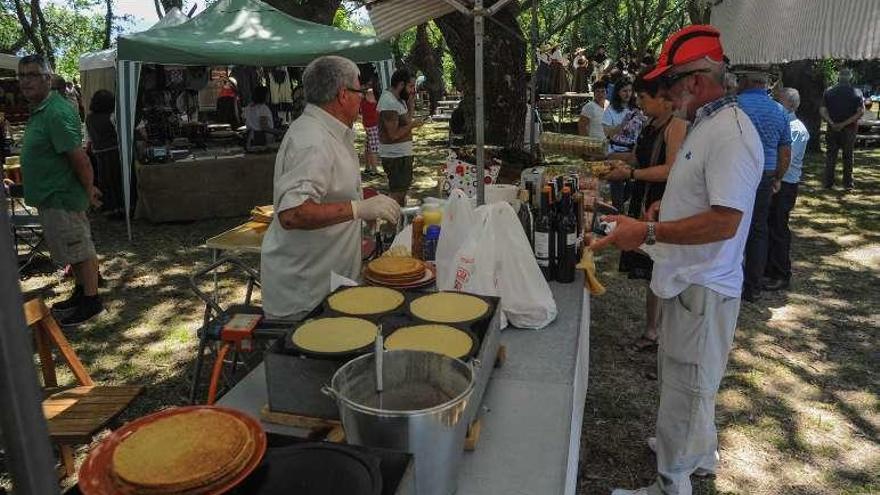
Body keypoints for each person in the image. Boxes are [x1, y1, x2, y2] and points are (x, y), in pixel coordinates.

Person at [591, 25, 763, 495]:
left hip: (704, 282)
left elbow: (725, 221)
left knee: (687, 386)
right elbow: (702, 193)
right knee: (691, 380)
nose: (664, 94)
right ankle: (698, 453)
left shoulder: (730, 133)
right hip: (691, 277)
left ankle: (673, 481)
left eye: (670, 83)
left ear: (696, 80)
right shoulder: (708, 121)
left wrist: (647, 230)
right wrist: (666, 209)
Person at [260, 56, 401, 321]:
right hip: (306, 292)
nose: (362, 98)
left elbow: (331, 191)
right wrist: (357, 208)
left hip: (327, 282)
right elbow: (292, 214)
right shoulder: (312, 140)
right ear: (342, 95)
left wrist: (360, 209)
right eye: (359, 91)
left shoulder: (331, 131)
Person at [602, 71, 687, 352]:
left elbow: (671, 169)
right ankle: (653, 330)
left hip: (661, 204)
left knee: (662, 268)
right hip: (645, 199)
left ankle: (658, 334)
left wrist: (632, 174)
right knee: (653, 270)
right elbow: (637, 156)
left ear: (664, 99)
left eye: (643, 97)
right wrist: (608, 160)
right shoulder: (651, 122)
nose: (639, 103)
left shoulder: (676, 127)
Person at [18, 54, 104, 325]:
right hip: (52, 197)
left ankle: (91, 302)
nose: (25, 81)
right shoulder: (42, 109)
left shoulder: (55, 111)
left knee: (79, 247)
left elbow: (80, 159)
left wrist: (89, 190)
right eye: (22, 75)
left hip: (63, 196)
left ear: (47, 78)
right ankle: (81, 293)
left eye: (32, 75)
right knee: (71, 250)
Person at [736, 71, 791, 302]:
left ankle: (731, 280)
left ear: (745, 82)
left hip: (737, 171)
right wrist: (778, 176)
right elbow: (785, 152)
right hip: (766, 174)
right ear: (765, 84)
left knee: (732, 225)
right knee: (758, 229)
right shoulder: (779, 111)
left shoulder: (736, 106)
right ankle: (753, 287)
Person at [765, 88, 809, 292]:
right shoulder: (784, 124)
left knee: (779, 228)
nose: (774, 104)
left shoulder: (796, 129)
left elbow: (786, 158)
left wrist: (776, 176)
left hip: (785, 183)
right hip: (778, 180)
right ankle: (769, 268)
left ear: (789, 105)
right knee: (770, 225)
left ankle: (781, 273)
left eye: (778, 100)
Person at [378, 68, 421, 206]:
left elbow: (407, 120)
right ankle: (392, 224)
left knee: (401, 193)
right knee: (397, 194)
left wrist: (411, 104)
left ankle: (398, 223)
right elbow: (393, 135)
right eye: (411, 86)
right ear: (401, 85)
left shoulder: (399, 100)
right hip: (396, 157)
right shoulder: (389, 102)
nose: (413, 90)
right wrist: (413, 125)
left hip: (401, 155)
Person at [603, 78, 646, 210]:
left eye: (630, 91)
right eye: (624, 91)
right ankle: (618, 211)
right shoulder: (610, 110)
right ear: (617, 93)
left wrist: (643, 120)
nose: (628, 94)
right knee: (618, 182)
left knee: (630, 184)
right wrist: (622, 124)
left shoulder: (637, 108)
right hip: (616, 151)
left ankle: (622, 206)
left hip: (633, 150)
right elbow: (608, 133)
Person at [820, 68, 864, 190]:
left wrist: (832, 123)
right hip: (849, 128)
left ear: (839, 77)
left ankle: (828, 183)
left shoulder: (828, 91)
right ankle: (848, 183)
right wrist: (844, 124)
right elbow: (860, 112)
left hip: (832, 128)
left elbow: (822, 110)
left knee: (831, 155)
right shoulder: (857, 92)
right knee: (848, 156)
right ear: (850, 77)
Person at [85, 89, 123, 215]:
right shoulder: (112, 116)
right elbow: (120, 133)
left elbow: (88, 138)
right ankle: (119, 206)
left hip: (99, 153)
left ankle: (109, 206)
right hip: (115, 151)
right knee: (117, 178)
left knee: (105, 179)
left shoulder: (89, 118)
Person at [359, 73, 380, 176]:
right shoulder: (371, 93)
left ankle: (367, 168)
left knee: (368, 147)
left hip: (367, 124)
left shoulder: (363, 95)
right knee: (374, 148)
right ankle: (374, 170)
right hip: (373, 124)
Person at [243, 85, 276, 149]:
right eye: (268, 95)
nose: (269, 97)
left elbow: (244, 120)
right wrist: (279, 132)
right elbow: (264, 127)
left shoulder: (248, 107)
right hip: (262, 138)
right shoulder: (263, 108)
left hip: (250, 137)